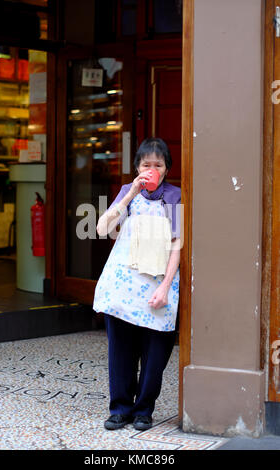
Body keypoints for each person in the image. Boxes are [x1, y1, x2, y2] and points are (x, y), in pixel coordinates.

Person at [93, 137, 183, 431]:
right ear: (137, 168)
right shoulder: (126, 193)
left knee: (155, 350)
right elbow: (102, 227)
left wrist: (166, 286)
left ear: (166, 169)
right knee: (120, 349)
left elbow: (176, 245)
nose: (152, 169)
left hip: (158, 284)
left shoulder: (174, 197)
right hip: (124, 283)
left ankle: (144, 409)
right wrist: (132, 191)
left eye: (158, 165)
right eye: (147, 165)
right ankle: (120, 408)